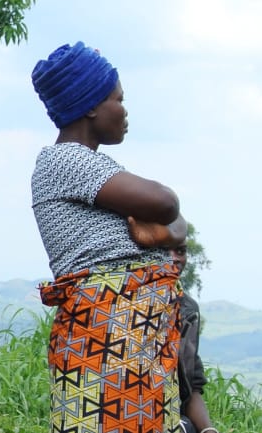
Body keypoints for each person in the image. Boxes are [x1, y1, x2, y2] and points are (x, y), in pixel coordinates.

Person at [31, 41, 188, 433]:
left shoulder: (95, 166)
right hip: (107, 336)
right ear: (90, 106)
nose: (125, 110)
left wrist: (166, 233)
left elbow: (176, 223)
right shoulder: (65, 159)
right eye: (119, 99)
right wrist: (166, 231)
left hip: (130, 344)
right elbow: (167, 204)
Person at [171, 244, 217, 433]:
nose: (174, 258)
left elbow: (191, 388)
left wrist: (208, 430)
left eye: (180, 251)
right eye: (163, 251)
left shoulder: (186, 309)